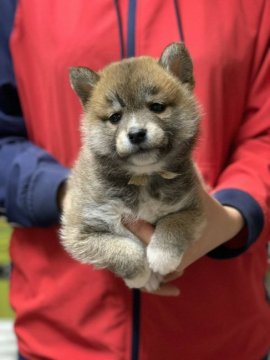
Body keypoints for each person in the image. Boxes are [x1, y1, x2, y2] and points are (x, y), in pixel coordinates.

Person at [0, 1, 270, 359]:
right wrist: (59, 190)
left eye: (156, 108)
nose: (137, 128)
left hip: (220, 331)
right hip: (66, 333)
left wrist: (237, 210)